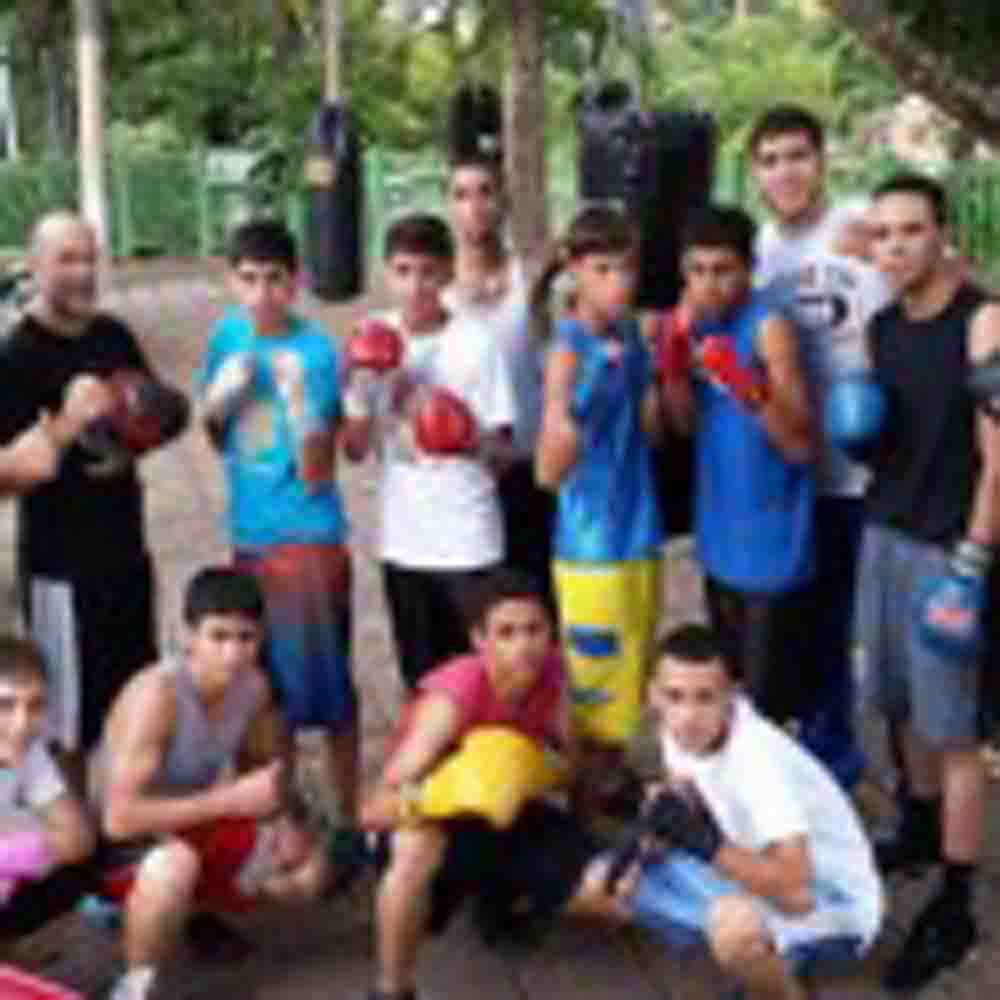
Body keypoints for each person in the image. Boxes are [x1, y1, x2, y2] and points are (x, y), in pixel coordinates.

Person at [854, 173, 1000, 992]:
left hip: (950, 548)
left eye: (911, 230)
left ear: (943, 233)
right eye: (881, 234)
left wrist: (975, 564)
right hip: (885, 533)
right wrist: (865, 434)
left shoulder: (982, 322)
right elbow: (895, 442)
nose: (896, 246)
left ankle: (957, 902)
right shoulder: (880, 327)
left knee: (956, 731)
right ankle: (916, 826)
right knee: (900, 705)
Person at [360, 568, 624, 1000]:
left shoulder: (555, 675)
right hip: (440, 820)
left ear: (551, 633)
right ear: (479, 641)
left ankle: (500, 899)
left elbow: (577, 768)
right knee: (414, 853)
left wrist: (575, 825)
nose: (524, 645)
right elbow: (372, 809)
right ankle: (391, 989)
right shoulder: (453, 697)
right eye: (506, 632)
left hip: (511, 811)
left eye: (534, 629)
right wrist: (442, 795)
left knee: (610, 894)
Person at [0, 212, 187, 790]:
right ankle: (76, 855)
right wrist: (62, 426)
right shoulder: (17, 356)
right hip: (62, 573)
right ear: (34, 268)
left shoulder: (112, 335)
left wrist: (150, 423)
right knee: (68, 729)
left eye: (90, 258)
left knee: (137, 709)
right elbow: (8, 478)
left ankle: (128, 839)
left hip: (127, 557)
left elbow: (159, 417)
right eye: (67, 260)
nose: (84, 273)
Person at [96, 567, 331, 1000]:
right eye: (218, 637)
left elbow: (259, 769)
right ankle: (132, 987)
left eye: (246, 638)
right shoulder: (157, 696)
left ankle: (192, 912)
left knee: (307, 873)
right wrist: (230, 801)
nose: (232, 654)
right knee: (173, 868)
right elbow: (118, 819)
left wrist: (282, 819)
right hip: (124, 842)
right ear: (189, 636)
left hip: (195, 816)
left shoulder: (254, 688)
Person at [196, 218, 361, 824]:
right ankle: (286, 820)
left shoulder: (316, 351)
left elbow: (319, 471)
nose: (262, 294)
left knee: (328, 695)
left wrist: (297, 405)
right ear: (232, 281)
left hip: (306, 540)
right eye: (249, 280)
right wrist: (219, 400)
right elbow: (219, 439)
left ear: (296, 283)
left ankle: (349, 821)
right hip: (249, 538)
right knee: (265, 697)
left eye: (274, 280)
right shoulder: (226, 337)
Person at [622, 624, 883, 1000]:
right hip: (756, 864)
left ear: (731, 697)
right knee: (610, 885)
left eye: (705, 698)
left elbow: (798, 895)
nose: (688, 716)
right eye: (674, 697)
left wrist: (703, 843)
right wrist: (652, 835)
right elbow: (687, 787)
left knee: (732, 928)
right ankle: (769, 954)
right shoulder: (676, 729)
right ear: (653, 695)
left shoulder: (759, 762)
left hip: (833, 901)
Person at [749, 104, 891, 788]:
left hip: (869, 471)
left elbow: (947, 278)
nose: (786, 172)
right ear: (755, 173)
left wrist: (886, 247)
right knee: (802, 624)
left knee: (863, 628)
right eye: (771, 159)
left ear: (822, 160)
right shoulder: (759, 254)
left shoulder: (862, 224)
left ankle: (856, 769)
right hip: (793, 472)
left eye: (797, 155)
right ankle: (812, 762)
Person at [343, 213, 516, 690]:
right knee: (420, 685)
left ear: (447, 274)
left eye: (427, 272)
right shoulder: (370, 335)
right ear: (385, 273)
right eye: (402, 271)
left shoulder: (476, 342)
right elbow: (355, 451)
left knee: (478, 682)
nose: (416, 285)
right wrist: (359, 395)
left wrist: (461, 434)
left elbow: (505, 454)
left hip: (469, 539)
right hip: (404, 541)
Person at [659, 205, 816, 726]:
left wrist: (745, 384)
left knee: (767, 711)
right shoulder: (700, 324)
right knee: (724, 694)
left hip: (773, 543)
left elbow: (798, 444)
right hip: (721, 536)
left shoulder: (770, 326)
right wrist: (674, 366)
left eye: (723, 270)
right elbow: (685, 426)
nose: (710, 285)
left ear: (749, 268)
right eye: (697, 272)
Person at [534, 205, 664, 767]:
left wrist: (668, 372)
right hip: (591, 544)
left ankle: (611, 790)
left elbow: (651, 428)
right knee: (594, 686)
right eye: (604, 270)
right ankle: (585, 817)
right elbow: (547, 470)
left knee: (630, 675)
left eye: (626, 269)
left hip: (639, 530)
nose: (620, 283)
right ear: (575, 271)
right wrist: (562, 430)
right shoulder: (567, 351)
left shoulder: (631, 333)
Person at [442, 152, 554, 598]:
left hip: (526, 467)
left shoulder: (531, 277)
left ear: (504, 201)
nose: (475, 206)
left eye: (485, 192)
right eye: (461, 195)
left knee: (532, 602)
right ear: (448, 206)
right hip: (463, 472)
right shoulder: (436, 288)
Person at [0, 636, 96, 939]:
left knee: (77, 876)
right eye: (5, 705)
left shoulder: (29, 749)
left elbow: (79, 839)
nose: (21, 724)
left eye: (35, 706)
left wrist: (12, 854)